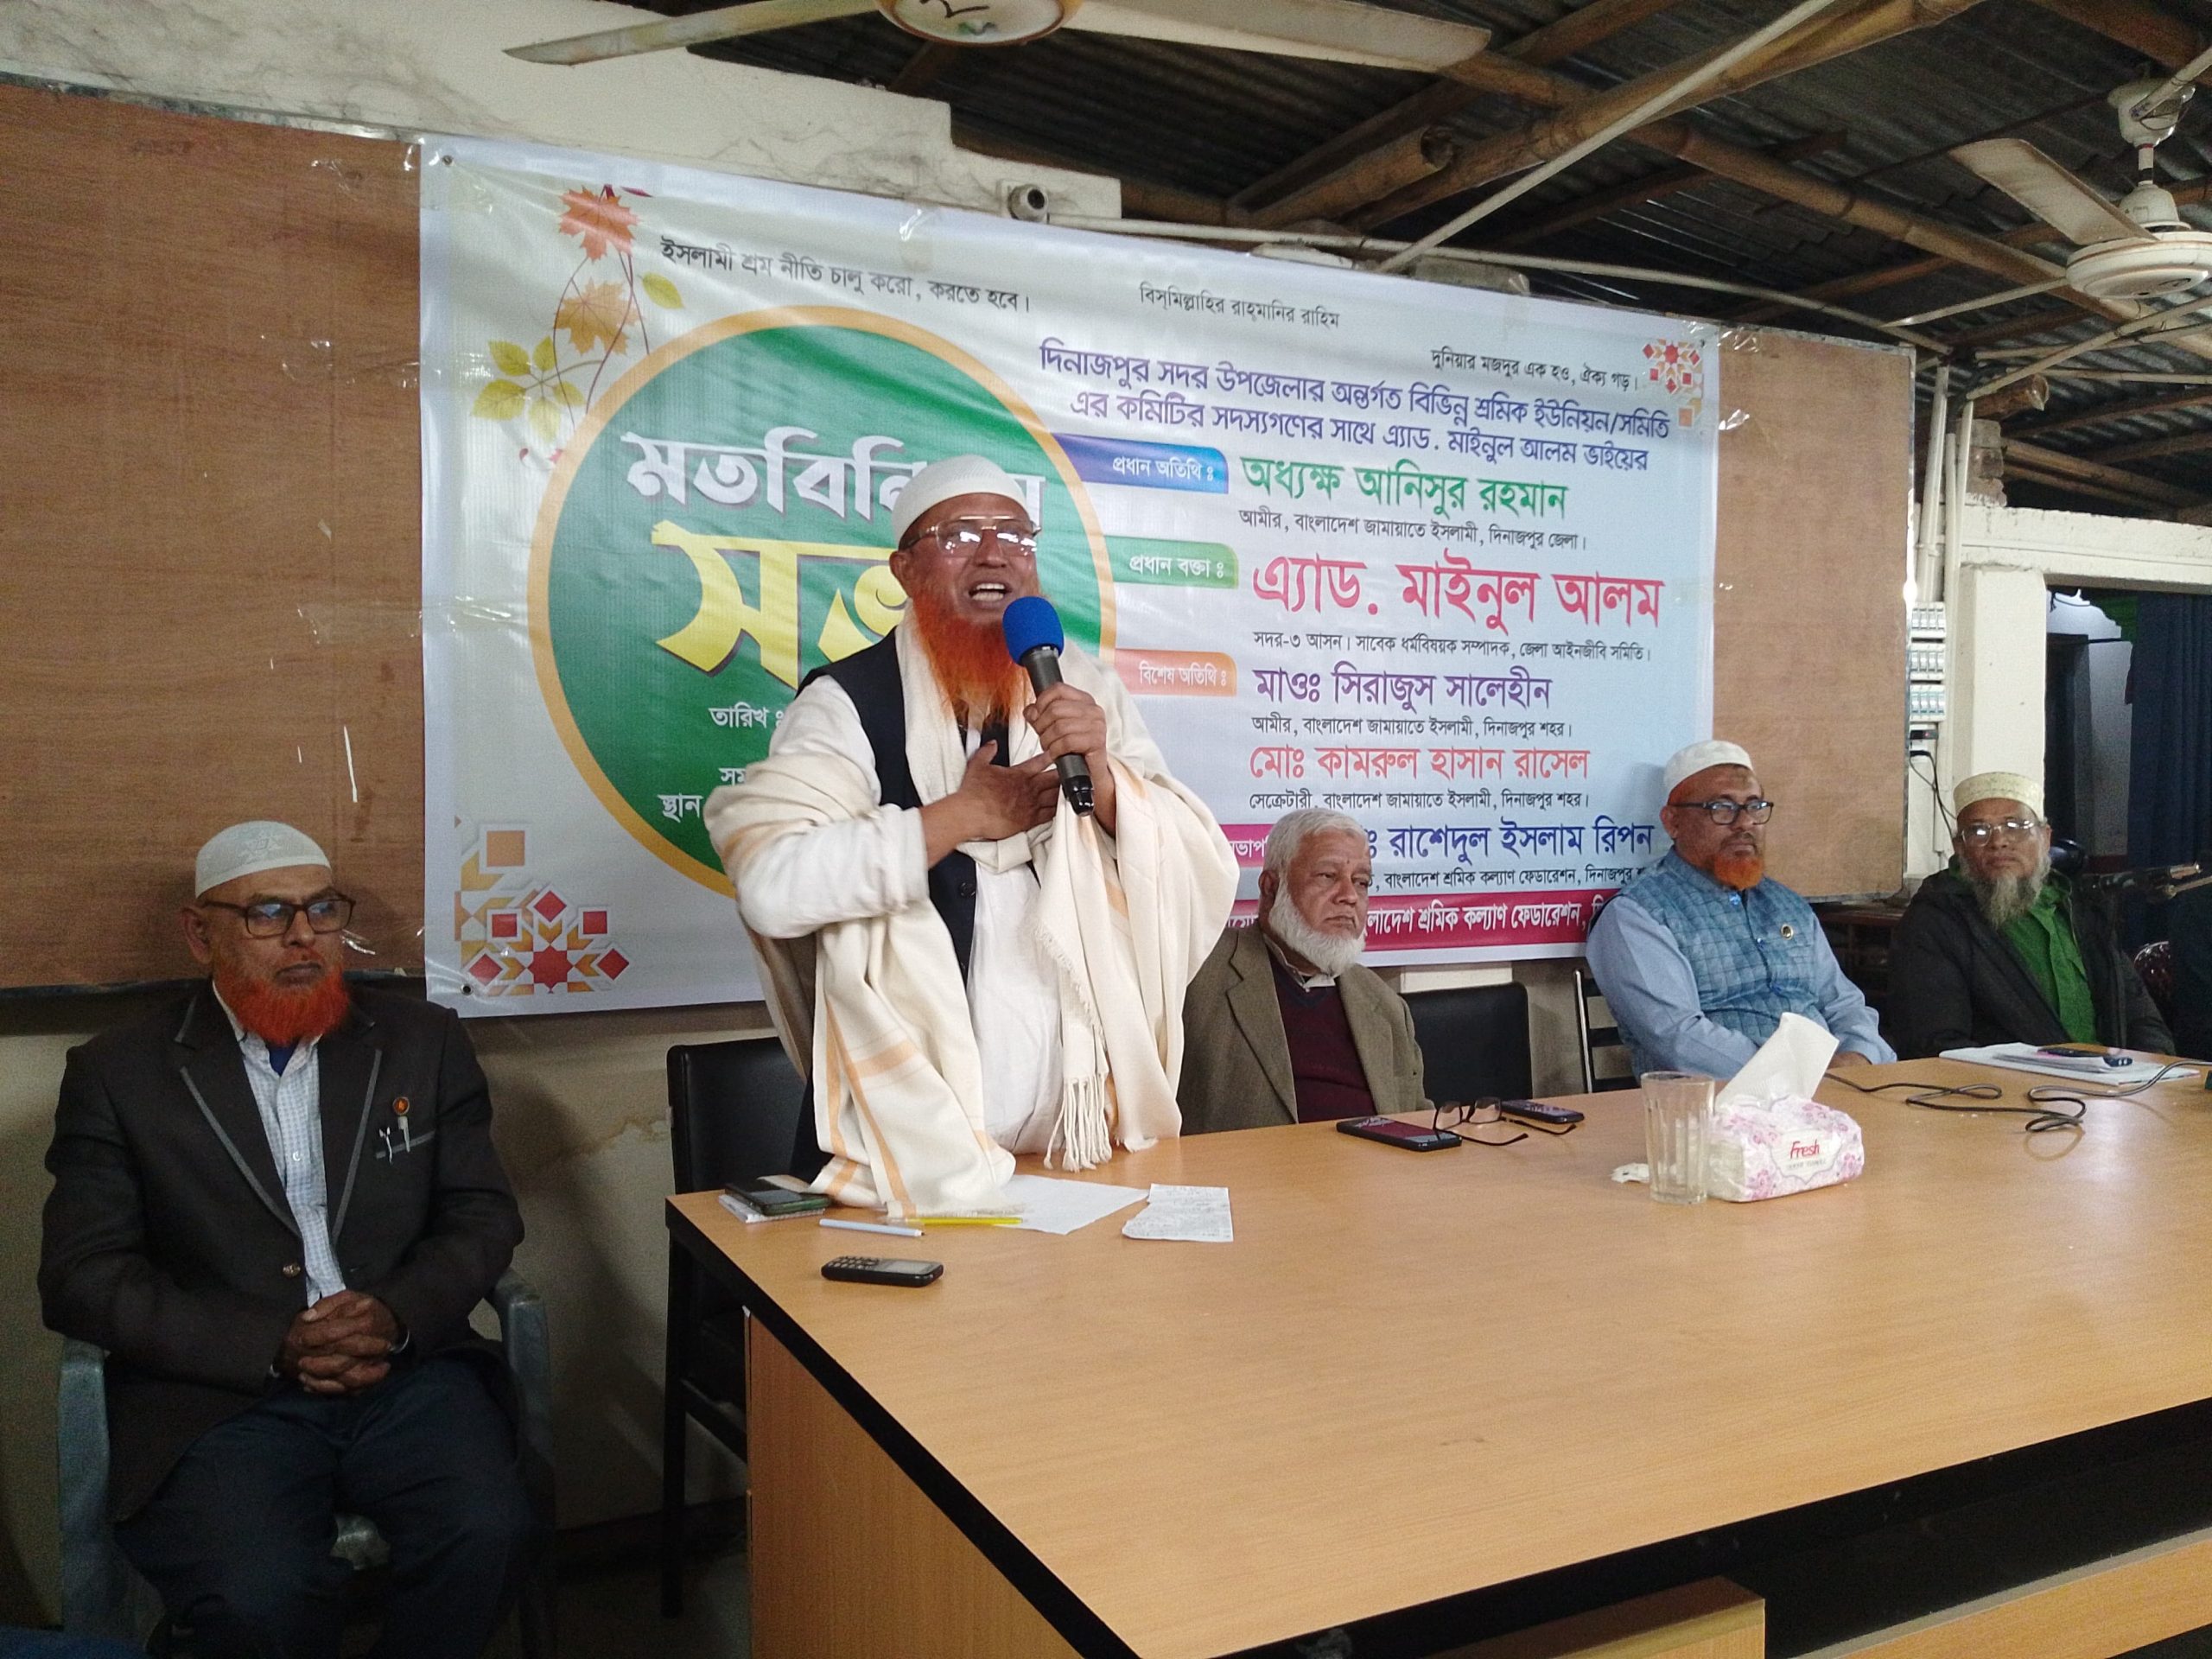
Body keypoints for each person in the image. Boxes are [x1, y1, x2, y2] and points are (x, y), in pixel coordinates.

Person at [39, 823, 533, 1659]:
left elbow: (482, 1214)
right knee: (259, 1595)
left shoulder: (421, 1042)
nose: (304, 937)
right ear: (201, 933)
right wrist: (272, 1342)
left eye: (322, 910)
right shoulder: (119, 1074)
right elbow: (81, 1275)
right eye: (268, 914)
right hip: (223, 1395)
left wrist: (393, 1314)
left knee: (490, 1534)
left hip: (403, 1371)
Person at [707, 454, 1237, 1215]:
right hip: (904, 1168)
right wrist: (960, 819)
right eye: (959, 535)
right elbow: (773, 886)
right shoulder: (846, 703)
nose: (995, 555)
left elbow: (1193, 864)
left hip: (1079, 1156)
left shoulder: (1082, 692)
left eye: (1015, 535)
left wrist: (1107, 780)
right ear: (904, 569)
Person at [1586, 740, 1892, 1076]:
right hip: (1720, 1099)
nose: (1745, 823)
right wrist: (1797, 1074)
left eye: (1755, 806)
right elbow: (1677, 1038)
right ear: (1673, 822)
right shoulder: (1638, 915)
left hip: (1832, 1087)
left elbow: (1843, 1004)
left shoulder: (1788, 905)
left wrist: (1859, 1057)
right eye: (1722, 808)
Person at [1885, 772, 2173, 1058]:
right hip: (2005, 1084)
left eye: (2015, 826)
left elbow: (2143, 1020)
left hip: (2115, 1082)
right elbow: (1936, 1043)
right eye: (1979, 831)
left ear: (2045, 838)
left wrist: (2145, 1069)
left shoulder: (2082, 908)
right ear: (1959, 847)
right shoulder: (1936, 921)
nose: (1998, 841)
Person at [1179, 809, 1427, 1131]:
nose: (1349, 896)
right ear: (1271, 888)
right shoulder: (1198, 973)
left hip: (1371, 1162)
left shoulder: (1386, 1006)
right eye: (1327, 876)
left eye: (1361, 882)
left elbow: (1417, 1121)